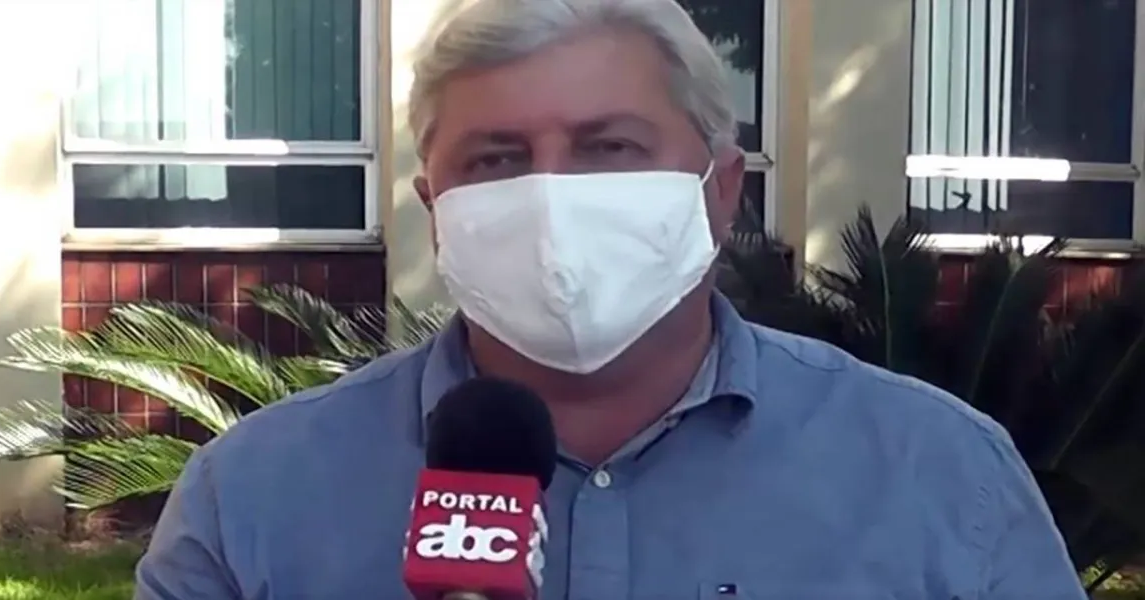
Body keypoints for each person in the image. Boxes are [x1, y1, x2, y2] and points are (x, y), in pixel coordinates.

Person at [135, 0, 1086, 598]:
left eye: (609, 148)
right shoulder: (253, 497)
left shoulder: (940, 475)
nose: (551, 198)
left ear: (719, 192)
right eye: (497, 160)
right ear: (437, 209)